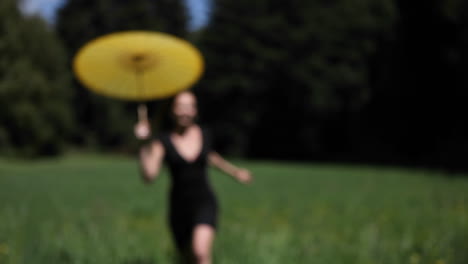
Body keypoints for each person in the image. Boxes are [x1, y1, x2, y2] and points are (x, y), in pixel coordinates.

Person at [134, 91, 252, 264]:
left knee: (200, 253)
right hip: (179, 208)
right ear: (172, 111)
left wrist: (235, 172)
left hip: (204, 202)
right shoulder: (163, 141)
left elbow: (211, 157)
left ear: (195, 111)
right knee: (187, 260)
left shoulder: (204, 134)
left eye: (189, 106)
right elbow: (149, 176)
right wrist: (143, 143)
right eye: (180, 106)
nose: (185, 111)